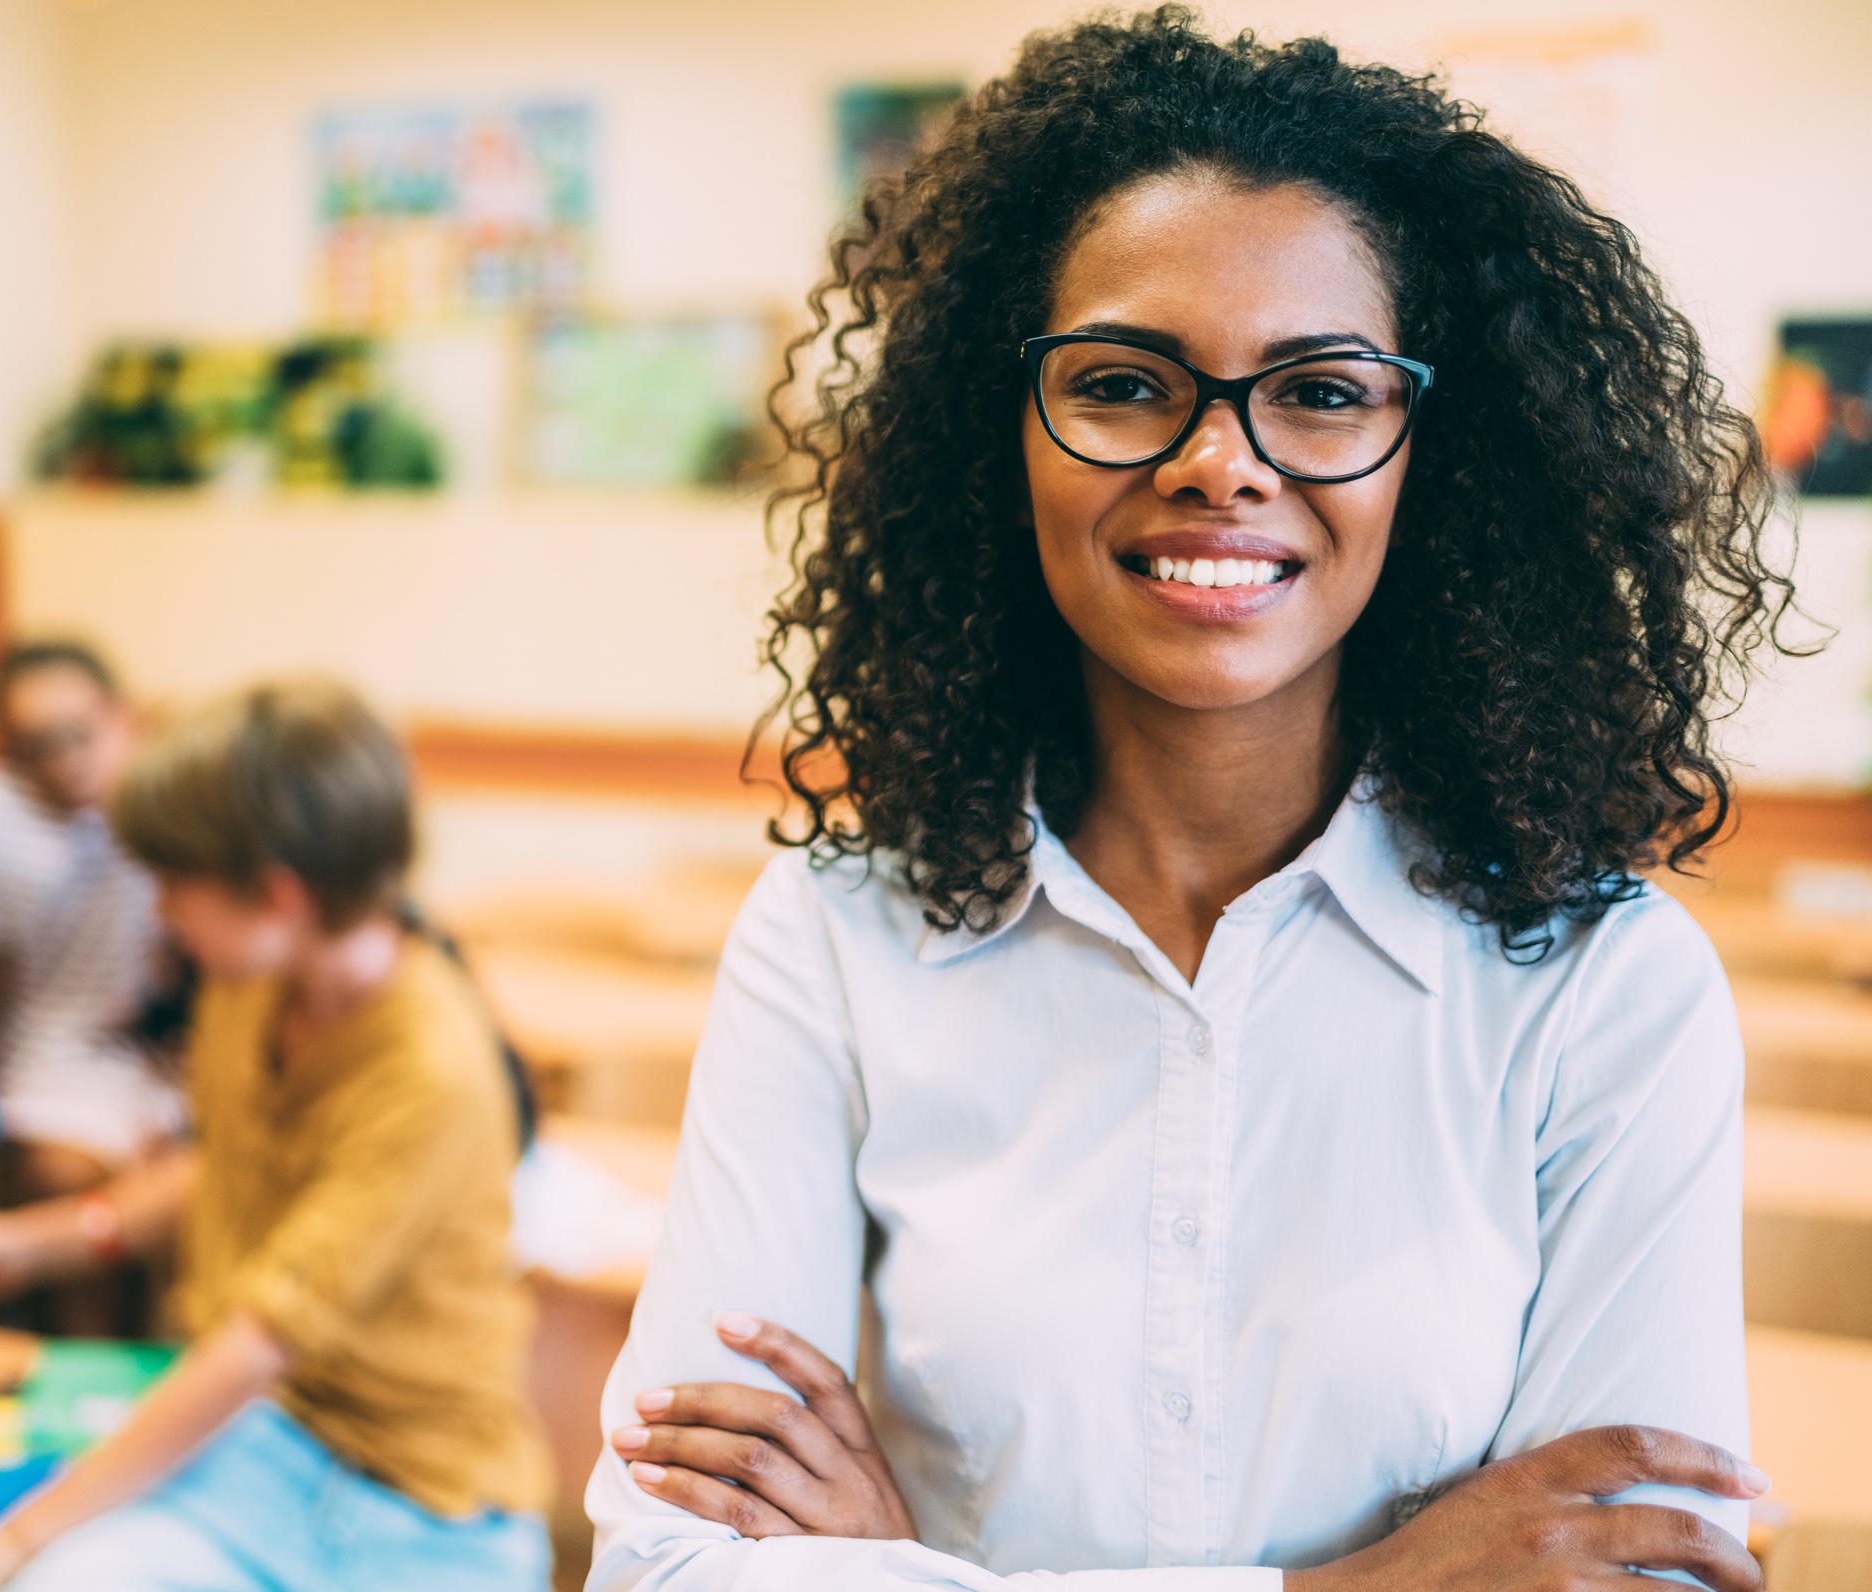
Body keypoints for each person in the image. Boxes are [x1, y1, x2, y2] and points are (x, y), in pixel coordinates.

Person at [586, 12, 1787, 1592]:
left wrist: (905, 1574)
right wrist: (1360, 1590)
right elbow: (669, 1569)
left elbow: (1635, 1571)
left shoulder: (1601, 991)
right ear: (997, 432)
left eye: (1322, 392)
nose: (1220, 463)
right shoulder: (834, 937)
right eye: (1121, 380)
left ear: (1434, 453)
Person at [0, 678, 553, 1592]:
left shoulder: (428, 1070)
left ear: (277, 897)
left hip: (421, 1512)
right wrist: (26, 1247)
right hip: (262, 1446)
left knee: (29, 1566)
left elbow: (259, 1341)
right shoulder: (251, 983)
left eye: (173, 884)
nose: (161, 910)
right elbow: (227, 1162)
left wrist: (7, 1546)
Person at [0, 639, 177, 1327]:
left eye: (81, 733)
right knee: (73, 1179)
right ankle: (93, 1371)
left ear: (120, 716)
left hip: (160, 1047)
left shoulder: (166, 793)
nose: (66, 759)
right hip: (55, 1046)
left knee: (175, 1178)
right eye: (37, 746)